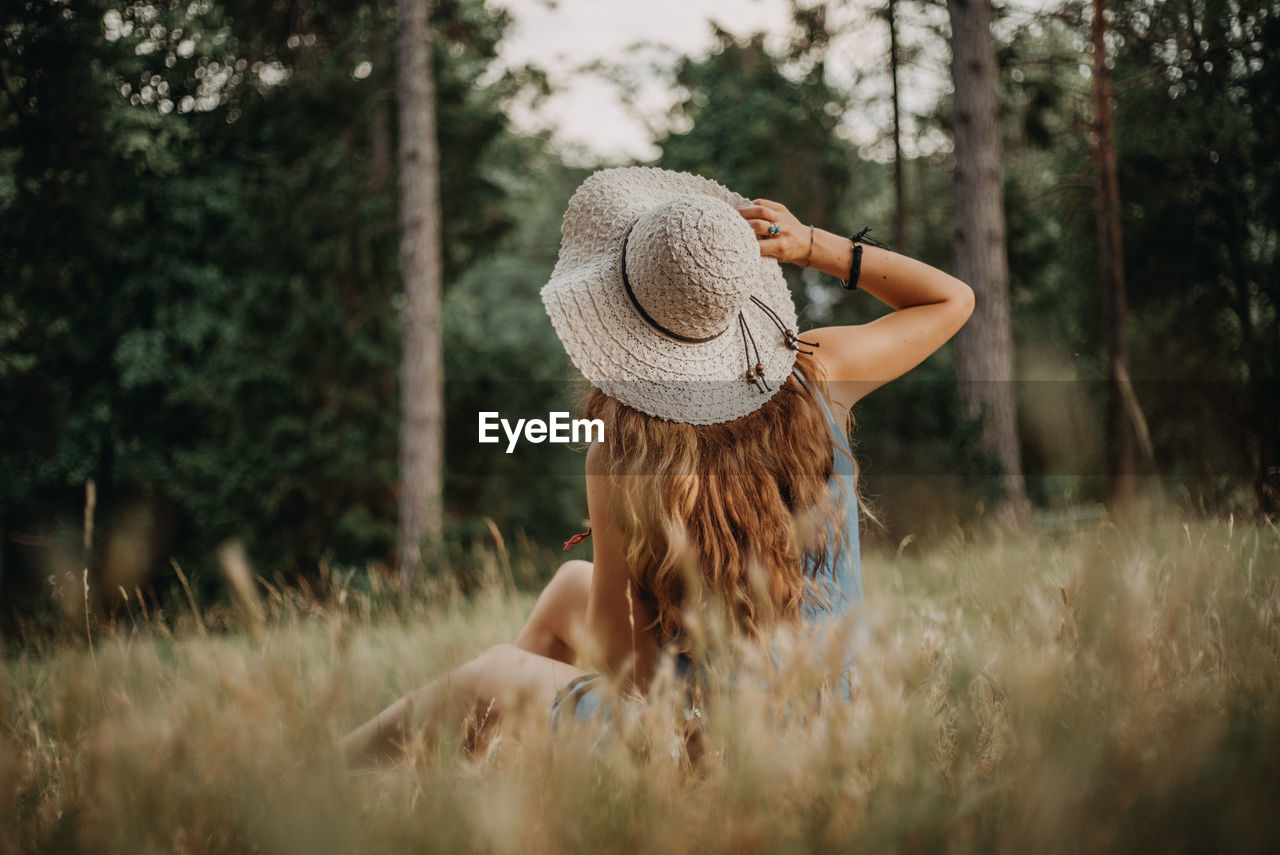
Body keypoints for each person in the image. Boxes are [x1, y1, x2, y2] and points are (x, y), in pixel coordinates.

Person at [342, 167, 973, 764]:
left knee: (490, 674)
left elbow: (631, 678)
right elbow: (950, 299)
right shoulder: (817, 373)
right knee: (568, 584)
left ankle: (325, 777)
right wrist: (812, 246)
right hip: (840, 727)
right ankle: (479, 780)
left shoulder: (625, 459)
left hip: (724, 757)